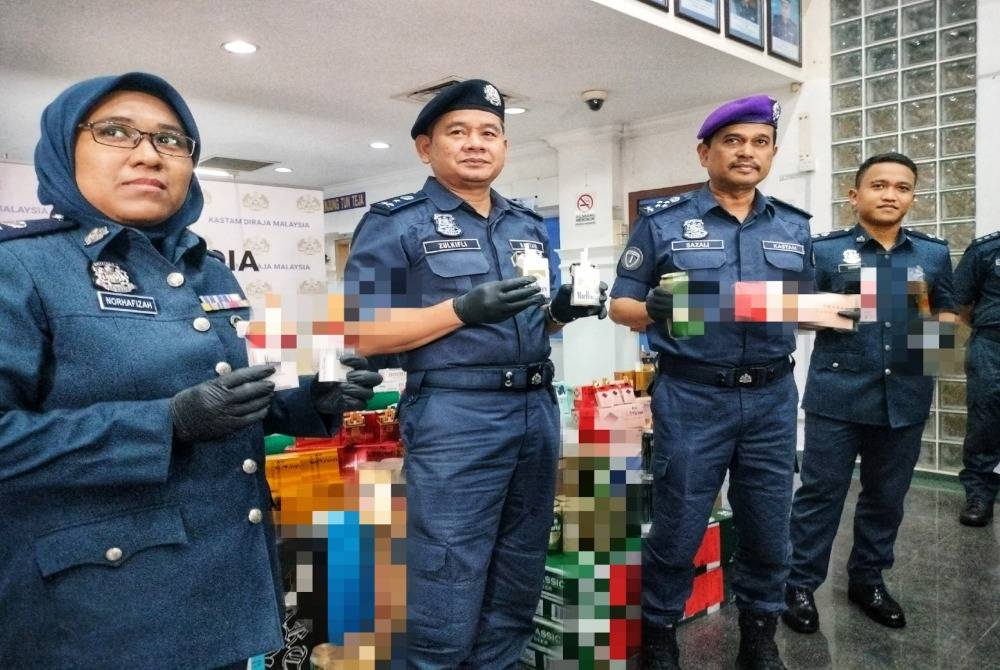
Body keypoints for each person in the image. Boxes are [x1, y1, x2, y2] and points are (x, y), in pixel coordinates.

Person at [0, 72, 381, 669]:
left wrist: (314, 397)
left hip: (220, 586)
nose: (149, 153)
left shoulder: (205, 270)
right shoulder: (21, 270)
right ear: (63, 148)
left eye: (172, 140)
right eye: (115, 132)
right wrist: (165, 424)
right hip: (98, 611)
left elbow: (226, 401)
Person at [343, 78, 607, 669]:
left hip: (535, 410)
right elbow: (363, 333)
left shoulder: (526, 224)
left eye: (490, 133)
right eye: (457, 132)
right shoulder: (397, 224)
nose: (475, 144)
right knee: (448, 572)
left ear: (505, 148)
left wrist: (562, 312)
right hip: (456, 416)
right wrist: (460, 309)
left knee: (519, 563)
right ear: (424, 147)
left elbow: (535, 324)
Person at [610, 95, 812, 670]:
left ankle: (759, 634)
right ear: (705, 152)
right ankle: (657, 634)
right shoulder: (663, 223)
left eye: (760, 142)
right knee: (678, 524)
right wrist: (652, 308)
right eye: (733, 141)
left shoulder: (794, 228)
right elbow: (619, 305)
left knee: (770, 526)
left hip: (773, 396)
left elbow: (806, 306)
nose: (747, 153)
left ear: (771, 153)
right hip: (694, 394)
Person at [782, 153, 957, 635]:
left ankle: (868, 579)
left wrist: (927, 360)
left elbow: (946, 311)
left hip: (904, 394)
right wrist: (846, 307)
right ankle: (798, 584)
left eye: (902, 187)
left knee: (887, 497)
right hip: (837, 394)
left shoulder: (933, 254)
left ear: (913, 198)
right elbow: (791, 312)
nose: (890, 194)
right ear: (854, 195)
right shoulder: (824, 251)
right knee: (820, 495)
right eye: (878, 185)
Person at [953, 230, 1000, 527]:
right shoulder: (987, 249)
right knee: (985, 418)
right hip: (993, 345)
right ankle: (980, 494)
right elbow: (959, 302)